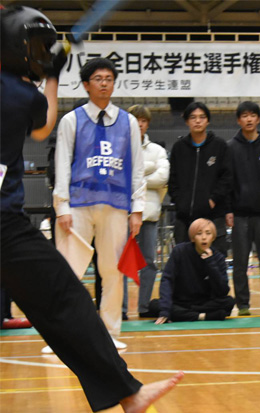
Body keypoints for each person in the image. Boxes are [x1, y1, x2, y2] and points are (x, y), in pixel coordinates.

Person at [0, 6, 182, 412]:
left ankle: (128, 393)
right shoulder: (20, 94)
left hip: (9, 226)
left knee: (69, 292)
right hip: (6, 227)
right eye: (35, 48)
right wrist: (52, 75)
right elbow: (43, 125)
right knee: (65, 298)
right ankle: (127, 393)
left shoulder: (17, 91)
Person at [53, 57, 146, 349]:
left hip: (115, 205)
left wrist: (137, 209)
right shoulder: (71, 120)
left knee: (112, 272)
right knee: (68, 272)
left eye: (109, 78)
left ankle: (109, 335)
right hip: (78, 205)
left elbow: (137, 166)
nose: (104, 83)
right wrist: (62, 206)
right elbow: (62, 165)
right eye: (98, 79)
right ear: (86, 85)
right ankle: (61, 336)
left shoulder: (128, 122)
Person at [228, 101, 260, 316]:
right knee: (240, 263)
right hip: (239, 214)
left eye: (252, 115)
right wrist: (228, 209)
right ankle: (243, 304)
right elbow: (227, 180)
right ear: (239, 120)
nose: (248, 119)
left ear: (258, 118)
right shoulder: (230, 147)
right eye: (244, 116)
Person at [168, 101, 232, 255]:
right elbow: (172, 180)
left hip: (213, 217)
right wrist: (180, 201)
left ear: (208, 121)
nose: (197, 121)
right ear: (187, 121)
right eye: (193, 117)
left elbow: (227, 178)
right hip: (184, 218)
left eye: (202, 117)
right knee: (184, 263)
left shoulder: (219, 146)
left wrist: (213, 200)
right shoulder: (179, 148)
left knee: (213, 262)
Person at [125, 104, 169, 318]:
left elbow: (163, 177)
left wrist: (136, 178)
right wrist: (147, 171)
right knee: (121, 262)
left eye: (143, 120)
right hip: (122, 214)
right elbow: (120, 177)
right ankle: (121, 309)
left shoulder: (157, 150)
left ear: (148, 124)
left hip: (149, 215)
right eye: (135, 120)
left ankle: (143, 307)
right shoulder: (119, 147)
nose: (139, 124)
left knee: (149, 261)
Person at [150, 218, 235, 323]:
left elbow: (223, 291)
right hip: (180, 302)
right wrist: (165, 310)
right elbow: (167, 279)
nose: (204, 237)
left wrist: (211, 262)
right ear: (193, 238)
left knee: (229, 302)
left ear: (213, 237)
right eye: (199, 234)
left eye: (208, 233)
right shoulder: (179, 251)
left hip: (204, 303)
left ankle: (182, 315)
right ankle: (203, 316)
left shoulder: (218, 258)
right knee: (154, 305)